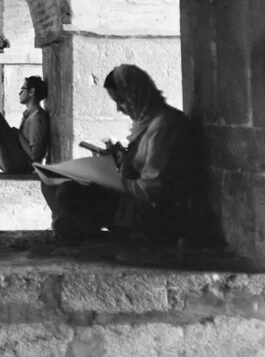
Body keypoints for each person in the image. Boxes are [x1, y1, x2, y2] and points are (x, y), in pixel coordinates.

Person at [40, 63, 207, 244]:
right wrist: (119, 163)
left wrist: (111, 181)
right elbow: (139, 165)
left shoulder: (165, 126)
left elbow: (154, 187)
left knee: (68, 191)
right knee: (50, 181)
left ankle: (77, 226)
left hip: (152, 209)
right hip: (135, 196)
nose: (119, 109)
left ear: (137, 94)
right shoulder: (147, 123)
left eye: (121, 101)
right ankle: (73, 224)